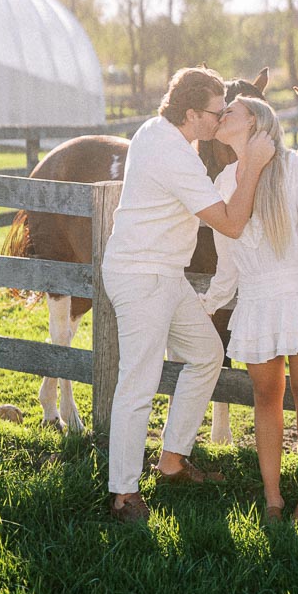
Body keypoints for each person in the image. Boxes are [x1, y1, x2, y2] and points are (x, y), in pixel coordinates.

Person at [102, 67, 275, 523]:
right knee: (137, 382)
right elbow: (232, 224)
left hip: (164, 274)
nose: (221, 120)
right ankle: (123, 494)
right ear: (192, 113)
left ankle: (172, 460)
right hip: (142, 276)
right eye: (217, 113)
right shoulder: (170, 153)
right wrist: (254, 166)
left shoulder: (161, 132)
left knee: (205, 354)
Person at [201, 96, 298, 522]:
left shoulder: (292, 168)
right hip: (257, 303)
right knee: (265, 396)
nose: (222, 114)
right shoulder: (224, 182)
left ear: (255, 121)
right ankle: (272, 498)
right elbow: (226, 258)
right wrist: (211, 301)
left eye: (231, 110)